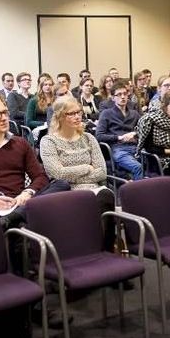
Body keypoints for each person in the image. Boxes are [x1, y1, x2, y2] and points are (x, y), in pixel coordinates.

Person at [39, 97, 117, 243]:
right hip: (67, 190)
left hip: (94, 189)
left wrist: (71, 172)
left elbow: (101, 171)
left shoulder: (88, 138)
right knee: (86, 203)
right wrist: (86, 167)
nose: (77, 116)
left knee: (106, 195)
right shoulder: (48, 141)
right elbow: (58, 174)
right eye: (71, 113)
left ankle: (105, 249)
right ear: (60, 116)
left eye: (78, 112)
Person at [95, 80, 144, 180]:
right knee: (137, 167)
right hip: (119, 149)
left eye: (125, 94)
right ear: (113, 98)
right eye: (119, 94)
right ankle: (139, 194)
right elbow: (99, 136)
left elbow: (145, 129)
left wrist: (134, 133)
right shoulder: (106, 113)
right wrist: (119, 137)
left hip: (136, 147)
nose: (123, 97)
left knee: (156, 162)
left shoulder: (134, 113)